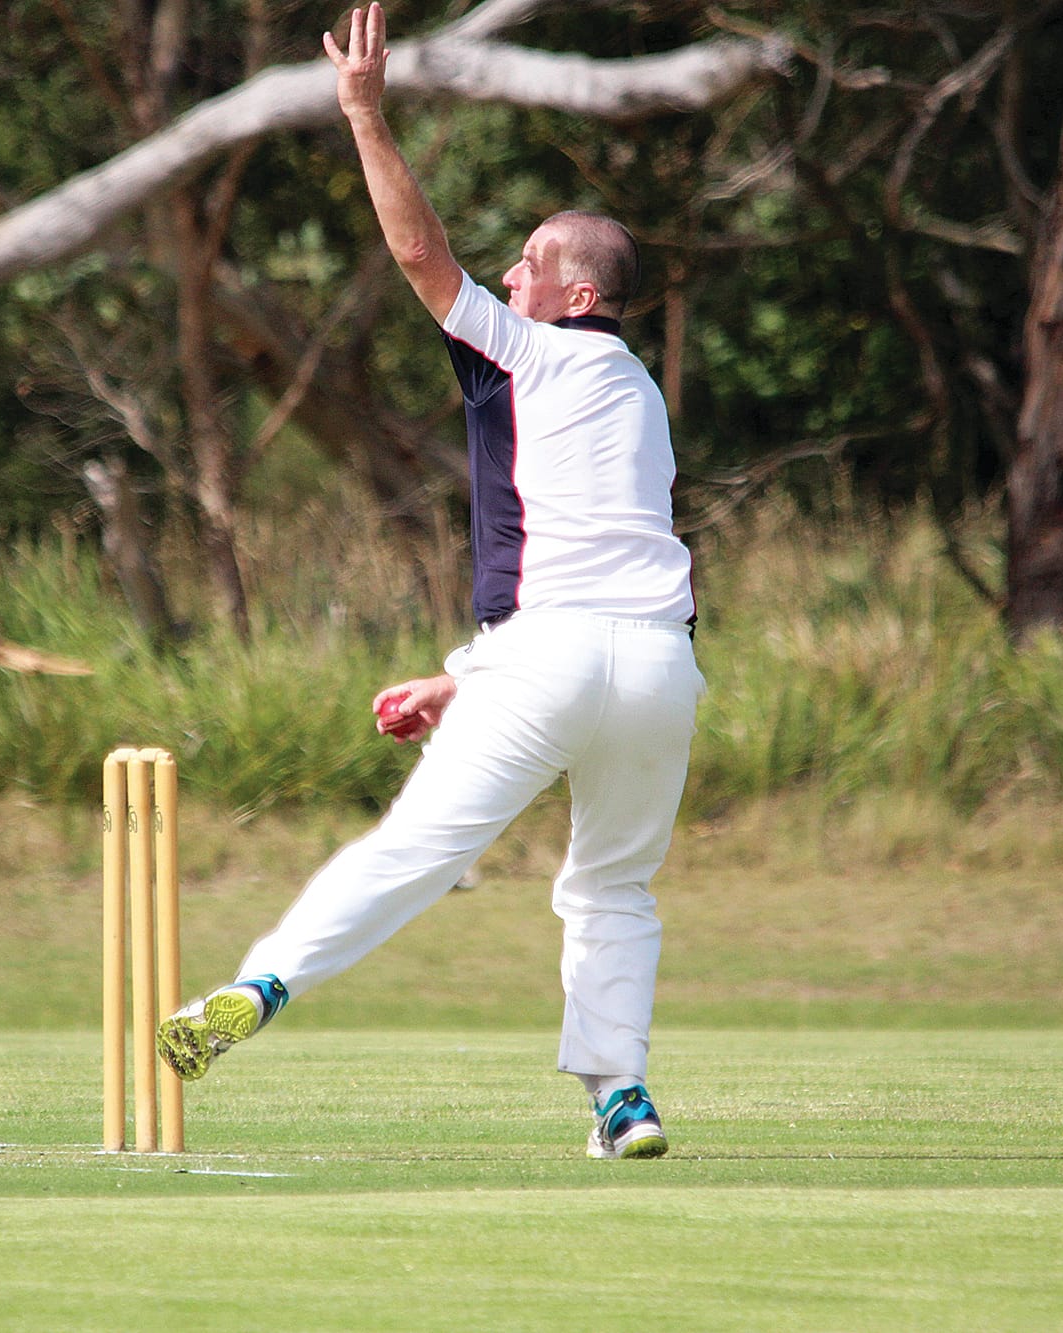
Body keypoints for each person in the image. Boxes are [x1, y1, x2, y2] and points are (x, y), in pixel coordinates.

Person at [156, 1, 703, 1160]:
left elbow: (418, 256)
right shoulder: (641, 399)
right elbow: (587, 567)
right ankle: (621, 1094)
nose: (510, 275)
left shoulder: (534, 349)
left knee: (418, 853)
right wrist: (463, 679)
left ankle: (258, 990)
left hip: (554, 652)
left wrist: (362, 113)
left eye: (533, 263)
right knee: (610, 889)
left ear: (579, 296)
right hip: (653, 667)